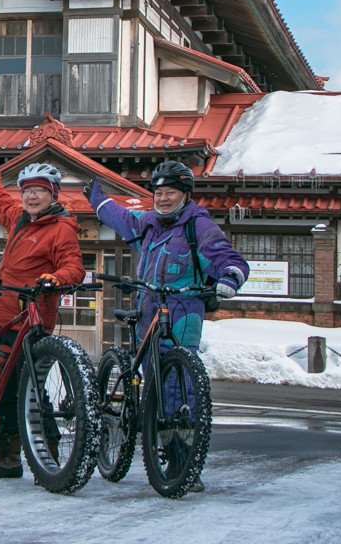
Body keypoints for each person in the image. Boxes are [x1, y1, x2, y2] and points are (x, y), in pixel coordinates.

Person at [86, 160, 248, 491]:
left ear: (185, 195)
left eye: (169, 192)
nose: (162, 198)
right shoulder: (149, 224)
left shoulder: (198, 227)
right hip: (148, 312)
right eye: (158, 192)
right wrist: (98, 201)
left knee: (178, 388)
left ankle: (182, 462)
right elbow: (123, 220)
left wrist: (230, 278)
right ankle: (155, 440)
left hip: (183, 313)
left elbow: (228, 258)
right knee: (156, 388)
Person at [0, 160, 85, 479]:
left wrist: (53, 278)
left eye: (39, 191)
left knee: (27, 388)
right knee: (4, 384)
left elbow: (74, 267)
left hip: (32, 320)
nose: (32, 197)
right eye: (28, 191)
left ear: (54, 195)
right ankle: (11, 456)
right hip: (6, 318)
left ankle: (44, 453)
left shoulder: (61, 228)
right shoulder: (19, 219)